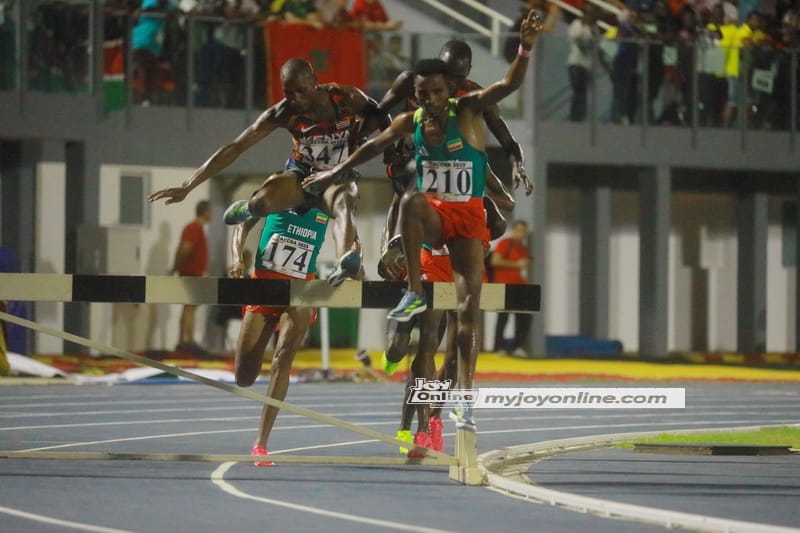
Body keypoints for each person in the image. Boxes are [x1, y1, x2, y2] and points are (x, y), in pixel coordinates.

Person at [302, 10, 543, 431]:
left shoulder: (467, 108)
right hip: (433, 219)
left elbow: (510, 85)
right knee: (412, 203)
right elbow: (372, 146)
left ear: (450, 88)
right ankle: (412, 297)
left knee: (467, 313)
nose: (429, 100)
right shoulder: (410, 119)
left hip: (468, 217)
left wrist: (524, 48)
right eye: (422, 93)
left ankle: (461, 403)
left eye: (435, 92)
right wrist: (333, 172)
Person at [149, 58, 391, 287]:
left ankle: (343, 264)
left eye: (301, 90)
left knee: (344, 202)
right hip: (303, 174)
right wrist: (189, 185)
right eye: (288, 92)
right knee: (262, 204)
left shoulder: (345, 98)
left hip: (337, 176)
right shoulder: (283, 113)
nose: (296, 98)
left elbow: (382, 116)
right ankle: (249, 208)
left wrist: (387, 146)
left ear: (315, 82)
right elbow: (236, 147)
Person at [374, 39, 528, 277]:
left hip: (454, 167)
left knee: (497, 223)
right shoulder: (413, 81)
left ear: (467, 74)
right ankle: (394, 248)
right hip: (411, 161)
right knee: (409, 194)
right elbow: (378, 112)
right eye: (446, 75)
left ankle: (461, 244)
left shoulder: (472, 98)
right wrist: (386, 141)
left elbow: (503, 134)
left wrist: (517, 162)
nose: (450, 84)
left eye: (457, 78)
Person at [229, 204, 330, 466]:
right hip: (263, 287)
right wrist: (237, 256)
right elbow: (243, 223)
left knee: (282, 360)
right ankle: (260, 441)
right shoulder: (277, 193)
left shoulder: (327, 202)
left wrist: (352, 256)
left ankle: (261, 444)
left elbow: (350, 231)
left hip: (301, 290)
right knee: (244, 377)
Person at [171, 200, 212, 354]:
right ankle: (187, 340)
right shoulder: (194, 228)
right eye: (211, 211)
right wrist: (176, 266)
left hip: (193, 271)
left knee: (189, 306)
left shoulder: (197, 228)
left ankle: (184, 340)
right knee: (190, 306)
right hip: (191, 272)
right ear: (205, 212)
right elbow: (185, 248)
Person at [491, 220, 532, 357]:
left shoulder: (523, 248)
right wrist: (516, 265)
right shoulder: (505, 244)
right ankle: (499, 347)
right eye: (520, 230)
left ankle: (518, 346)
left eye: (524, 231)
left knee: (524, 317)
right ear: (514, 230)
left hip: (520, 286)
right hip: (504, 285)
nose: (522, 234)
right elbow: (495, 261)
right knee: (503, 317)